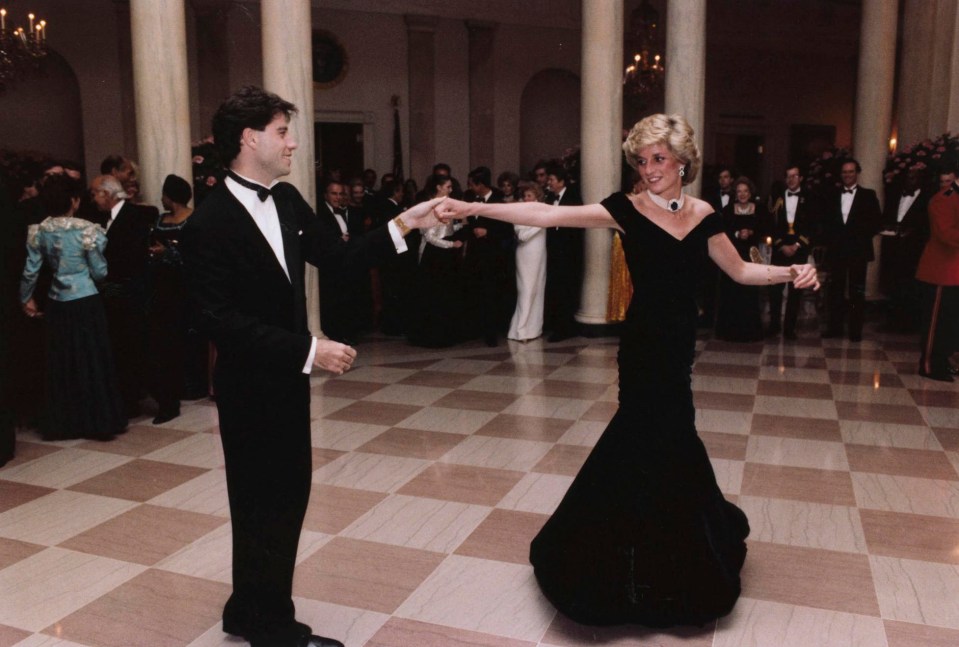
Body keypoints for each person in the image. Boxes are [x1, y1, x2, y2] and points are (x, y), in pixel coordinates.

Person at [438, 113, 817, 628]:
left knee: (674, 436)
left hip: (680, 347)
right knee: (649, 436)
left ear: (683, 161)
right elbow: (547, 216)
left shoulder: (705, 213)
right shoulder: (626, 208)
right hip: (643, 346)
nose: (649, 168)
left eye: (658, 158)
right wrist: (470, 205)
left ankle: (679, 551)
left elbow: (741, 269)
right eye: (641, 160)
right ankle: (619, 559)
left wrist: (789, 273)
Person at [179, 86, 444, 647]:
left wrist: (406, 225)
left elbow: (342, 258)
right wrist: (308, 349)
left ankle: (246, 608)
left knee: (286, 496)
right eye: (282, 131)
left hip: (286, 384)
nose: (293, 142)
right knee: (262, 501)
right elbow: (215, 320)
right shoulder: (209, 223)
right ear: (250, 139)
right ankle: (271, 626)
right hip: (251, 386)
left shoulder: (289, 199)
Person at [20, 174, 126, 440]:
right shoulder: (87, 229)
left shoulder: (40, 230)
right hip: (86, 300)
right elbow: (100, 272)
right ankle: (99, 421)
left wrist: (26, 297)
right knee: (91, 359)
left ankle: (65, 423)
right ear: (75, 201)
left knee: (62, 361)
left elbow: (31, 270)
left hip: (57, 302)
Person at [146, 174, 194, 424]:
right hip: (160, 288)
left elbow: (197, 255)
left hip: (184, 287)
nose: (161, 199)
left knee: (182, 337)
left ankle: (187, 386)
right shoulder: (160, 220)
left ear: (170, 196)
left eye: (164, 194)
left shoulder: (193, 220)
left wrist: (169, 253)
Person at [820, 159, 882, 342]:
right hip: (837, 251)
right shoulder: (832, 195)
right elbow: (827, 222)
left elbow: (876, 223)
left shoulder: (868, 195)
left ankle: (855, 331)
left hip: (858, 251)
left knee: (857, 292)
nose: (848, 175)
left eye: (851, 171)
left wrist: (857, 237)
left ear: (857, 173)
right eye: (845, 172)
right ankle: (835, 328)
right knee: (835, 291)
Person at [407, 174, 465, 347]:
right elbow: (429, 236)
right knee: (433, 295)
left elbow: (447, 227)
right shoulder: (428, 207)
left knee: (444, 295)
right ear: (438, 187)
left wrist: (461, 225)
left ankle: (445, 334)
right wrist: (451, 244)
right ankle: (431, 336)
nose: (451, 189)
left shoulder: (446, 205)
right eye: (448, 186)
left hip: (444, 257)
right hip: (432, 256)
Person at [766, 164, 821, 339]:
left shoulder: (810, 198)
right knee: (775, 289)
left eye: (795, 176)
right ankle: (774, 326)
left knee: (795, 291)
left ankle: (789, 329)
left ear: (801, 178)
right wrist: (781, 245)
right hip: (780, 249)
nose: (791, 179)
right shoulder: (776, 197)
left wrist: (797, 245)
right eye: (788, 176)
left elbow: (813, 225)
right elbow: (770, 223)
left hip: (799, 250)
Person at [915, 169, 959, 381]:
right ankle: (929, 365)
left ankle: (943, 360)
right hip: (941, 271)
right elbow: (946, 235)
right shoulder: (944, 199)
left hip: (955, 270)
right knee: (936, 323)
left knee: (950, 322)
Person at [879, 166, 930, 333]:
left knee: (910, 288)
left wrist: (911, 233)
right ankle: (891, 322)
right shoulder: (895, 196)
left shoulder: (926, 200)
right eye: (908, 177)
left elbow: (926, 227)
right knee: (892, 286)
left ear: (920, 180)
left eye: (914, 178)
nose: (910, 181)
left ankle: (908, 325)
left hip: (913, 253)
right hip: (893, 249)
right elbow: (887, 218)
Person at [715, 176, 766, 342]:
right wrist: (737, 234)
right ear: (735, 193)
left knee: (749, 292)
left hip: (751, 255)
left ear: (750, 192)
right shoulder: (729, 209)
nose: (742, 194)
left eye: (745, 191)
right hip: (732, 254)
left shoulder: (759, 209)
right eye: (739, 191)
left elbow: (764, 230)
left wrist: (751, 233)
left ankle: (749, 332)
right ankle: (730, 331)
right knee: (732, 290)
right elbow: (723, 231)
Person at [544, 162, 584, 341]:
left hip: (569, 252)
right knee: (556, 288)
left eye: (552, 180)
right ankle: (557, 325)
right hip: (554, 251)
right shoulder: (548, 198)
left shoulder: (574, 196)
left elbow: (577, 223)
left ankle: (566, 327)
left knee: (567, 289)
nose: (549, 183)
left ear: (561, 181)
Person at [508, 181, 547, 341]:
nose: (526, 198)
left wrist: (542, 221)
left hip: (540, 253)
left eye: (529, 195)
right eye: (525, 196)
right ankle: (520, 330)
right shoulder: (519, 212)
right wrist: (541, 223)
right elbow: (522, 236)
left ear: (537, 196)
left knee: (538, 289)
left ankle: (534, 329)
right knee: (526, 290)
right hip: (525, 254)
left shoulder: (544, 210)